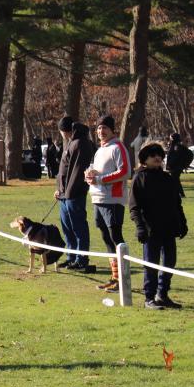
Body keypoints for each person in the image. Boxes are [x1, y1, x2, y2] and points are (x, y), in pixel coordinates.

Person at [129, 143, 188, 310]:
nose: (157, 158)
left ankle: (162, 294)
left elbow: (176, 204)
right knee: (151, 264)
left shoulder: (168, 178)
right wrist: (140, 227)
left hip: (168, 228)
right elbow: (134, 207)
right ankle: (149, 297)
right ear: (144, 159)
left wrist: (182, 223)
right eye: (152, 155)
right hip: (150, 230)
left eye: (159, 155)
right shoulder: (139, 178)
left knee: (170, 262)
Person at [85, 116, 131, 291]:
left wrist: (100, 179)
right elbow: (97, 172)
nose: (101, 131)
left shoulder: (118, 147)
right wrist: (89, 174)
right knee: (106, 238)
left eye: (104, 128)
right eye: (98, 128)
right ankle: (115, 277)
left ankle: (122, 280)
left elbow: (125, 172)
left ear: (112, 130)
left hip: (113, 199)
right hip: (97, 198)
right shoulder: (99, 150)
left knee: (115, 237)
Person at [54, 118, 96, 272]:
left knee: (78, 227)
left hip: (74, 194)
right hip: (65, 194)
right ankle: (71, 256)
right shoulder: (70, 142)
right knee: (67, 228)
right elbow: (63, 170)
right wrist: (59, 189)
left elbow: (77, 172)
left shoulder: (80, 143)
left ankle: (81, 259)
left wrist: (68, 192)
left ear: (64, 130)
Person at [164, 133, 193, 198]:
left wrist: (184, 164)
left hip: (175, 167)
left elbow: (175, 157)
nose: (170, 139)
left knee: (175, 180)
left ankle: (181, 194)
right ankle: (177, 193)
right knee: (175, 180)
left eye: (171, 137)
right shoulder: (174, 145)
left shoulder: (177, 146)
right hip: (175, 167)